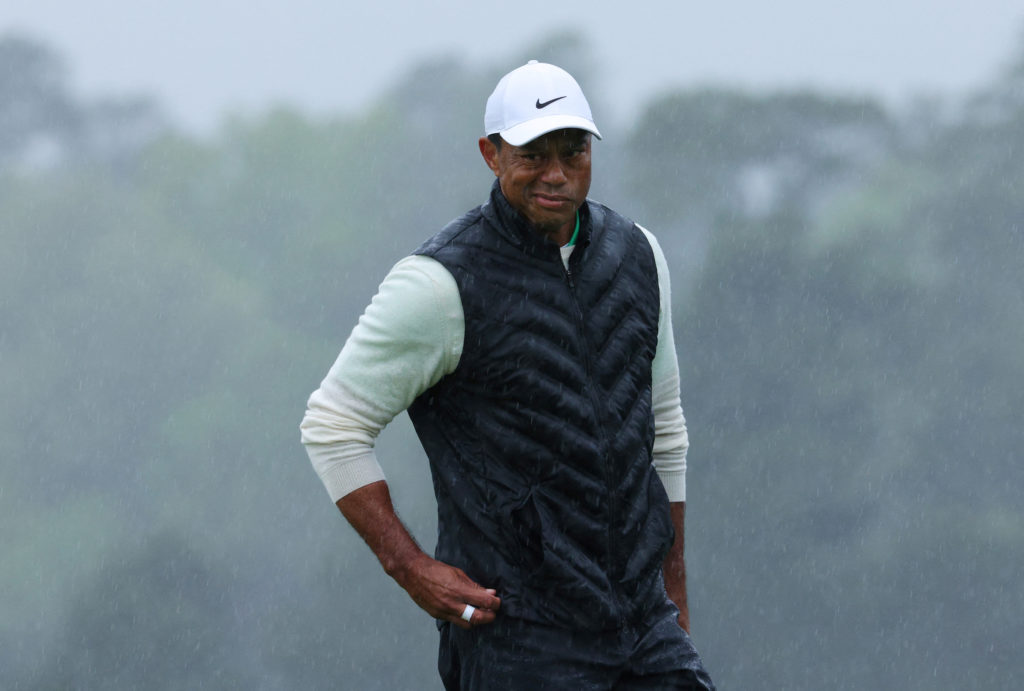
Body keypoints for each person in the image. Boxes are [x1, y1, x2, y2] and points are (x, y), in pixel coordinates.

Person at [300, 60, 715, 690]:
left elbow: (665, 432)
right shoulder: (437, 284)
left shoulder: (639, 255)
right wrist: (410, 568)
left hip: (644, 630)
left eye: (573, 152)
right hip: (518, 639)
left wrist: (674, 598)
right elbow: (333, 426)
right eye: (532, 155)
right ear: (491, 155)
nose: (556, 174)